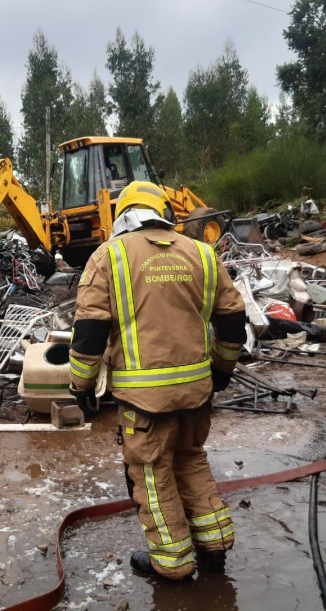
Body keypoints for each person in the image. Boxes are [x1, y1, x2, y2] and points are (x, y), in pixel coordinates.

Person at [68, 181, 247, 581]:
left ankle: (172, 562)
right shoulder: (202, 252)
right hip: (197, 392)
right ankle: (214, 545)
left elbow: (90, 334)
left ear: (123, 214)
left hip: (144, 400)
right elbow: (234, 321)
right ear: (164, 211)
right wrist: (220, 372)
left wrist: (81, 388)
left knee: (152, 474)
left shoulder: (108, 256)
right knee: (190, 460)